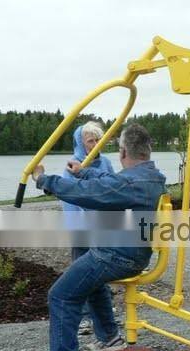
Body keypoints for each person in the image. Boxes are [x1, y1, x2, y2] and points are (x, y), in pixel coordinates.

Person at [33, 123, 166, 351]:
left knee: (60, 294)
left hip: (119, 256)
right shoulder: (151, 177)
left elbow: (92, 194)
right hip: (127, 252)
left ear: (123, 152)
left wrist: (45, 180)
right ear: (147, 150)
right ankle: (109, 337)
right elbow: (108, 183)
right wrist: (83, 172)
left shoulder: (133, 182)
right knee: (90, 282)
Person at [61, 121, 115, 335]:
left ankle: (103, 317)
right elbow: (70, 198)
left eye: (98, 140)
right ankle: (84, 317)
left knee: (101, 271)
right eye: (90, 141)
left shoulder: (105, 163)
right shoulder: (72, 165)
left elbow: (114, 188)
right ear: (80, 143)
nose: (95, 144)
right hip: (81, 227)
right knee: (81, 272)